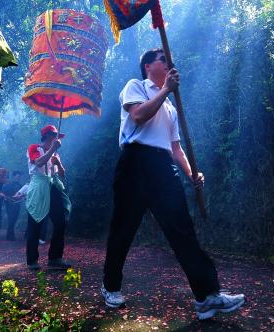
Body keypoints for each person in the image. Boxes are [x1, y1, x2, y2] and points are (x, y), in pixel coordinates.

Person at [101, 49, 245, 320]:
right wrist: (166, 89)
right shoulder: (136, 87)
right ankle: (110, 286)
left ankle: (206, 297)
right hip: (134, 163)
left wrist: (192, 173)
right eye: (162, 60)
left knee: (182, 230)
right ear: (147, 66)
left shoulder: (170, 106)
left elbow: (175, 149)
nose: (168, 64)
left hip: (162, 168)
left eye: (168, 61)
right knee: (123, 229)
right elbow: (138, 116)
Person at [25, 125, 72, 270]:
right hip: (38, 185)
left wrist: (59, 163)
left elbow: (62, 175)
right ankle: (32, 260)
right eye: (55, 135)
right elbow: (38, 162)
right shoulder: (34, 148)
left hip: (52, 186)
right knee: (35, 222)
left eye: (58, 136)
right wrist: (52, 150)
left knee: (60, 221)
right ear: (47, 136)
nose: (57, 139)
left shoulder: (56, 155)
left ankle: (55, 258)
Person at [2, 170, 23, 241]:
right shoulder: (8, 184)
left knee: (14, 219)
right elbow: (4, 194)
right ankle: (10, 235)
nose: (18, 178)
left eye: (19, 177)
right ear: (14, 176)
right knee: (11, 219)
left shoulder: (20, 185)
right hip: (10, 205)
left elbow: (22, 194)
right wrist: (8, 199)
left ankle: (10, 234)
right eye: (17, 177)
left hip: (17, 205)